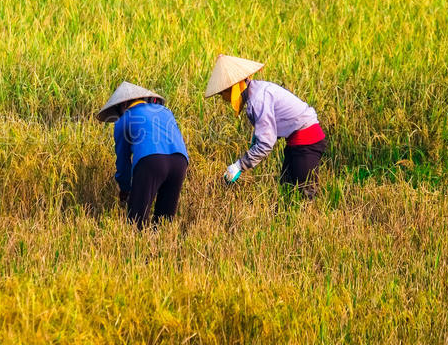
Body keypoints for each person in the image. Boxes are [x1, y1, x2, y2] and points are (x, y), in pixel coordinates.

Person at [204, 55, 326, 198]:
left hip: (307, 142)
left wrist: (239, 166)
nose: (223, 98)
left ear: (233, 88)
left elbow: (266, 143)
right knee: (287, 191)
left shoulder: (258, 99)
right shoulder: (256, 91)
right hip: (295, 143)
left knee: (305, 195)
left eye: (222, 93)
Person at [96, 81, 189, 228]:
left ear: (123, 104)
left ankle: (138, 247)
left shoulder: (123, 120)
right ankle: (161, 247)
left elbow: (123, 161)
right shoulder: (165, 111)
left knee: (136, 222)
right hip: (180, 161)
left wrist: (125, 188)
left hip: (152, 161)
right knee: (164, 222)